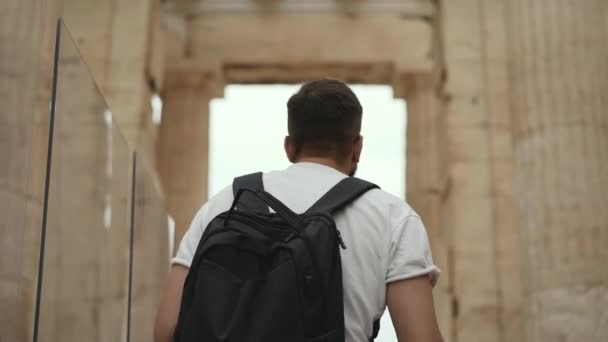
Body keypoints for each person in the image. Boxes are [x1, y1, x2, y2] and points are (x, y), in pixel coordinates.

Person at [154, 79, 443, 342]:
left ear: (290, 147)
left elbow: (167, 329)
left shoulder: (225, 203)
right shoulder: (392, 216)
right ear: (357, 147)